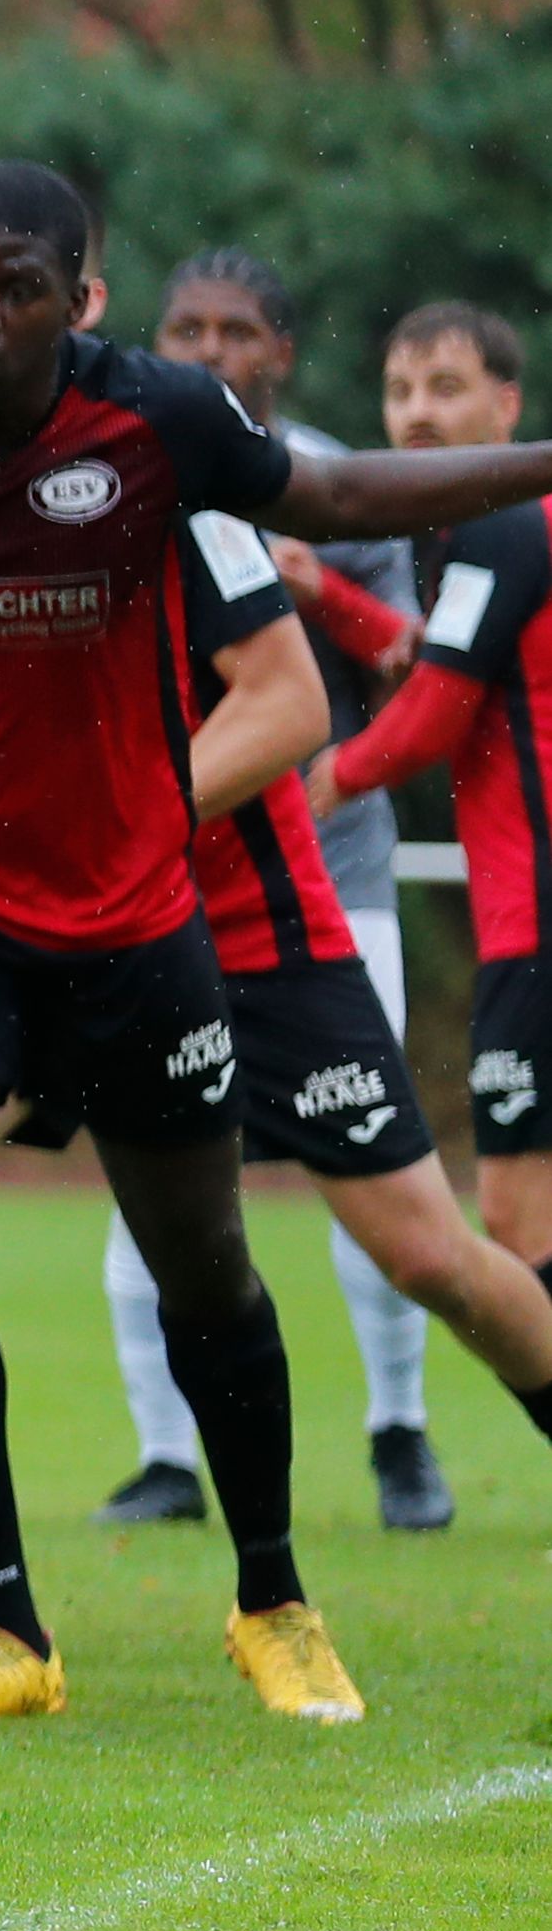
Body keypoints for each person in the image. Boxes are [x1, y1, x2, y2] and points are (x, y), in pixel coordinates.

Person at [0, 160, 552, 1726]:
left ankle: (275, 1591)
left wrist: (117, 812)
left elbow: (288, 691)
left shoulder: (174, 469)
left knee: (375, 1254)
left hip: (212, 924)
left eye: (234, 328)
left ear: (87, 308)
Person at [100, 255, 449, 1533]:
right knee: (155, 1175)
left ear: (282, 352)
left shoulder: (328, 482)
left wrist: (322, 590)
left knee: (380, 1178)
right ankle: (165, 1458)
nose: (205, 350)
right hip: (158, 887)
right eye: (183, 325)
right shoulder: (122, 475)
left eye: (234, 331)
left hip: (328, 882)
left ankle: (400, 1435)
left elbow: (418, 673)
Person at [314, 301, 552, 1276]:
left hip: (538, 922)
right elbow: (455, 665)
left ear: (509, 407)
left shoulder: (500, 527)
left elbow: (432, 716)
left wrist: (322, 776)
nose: (416, 415)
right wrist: (325, 594)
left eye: (445, 390)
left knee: (518, 1216)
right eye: (400, 391)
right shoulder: (510, 533)